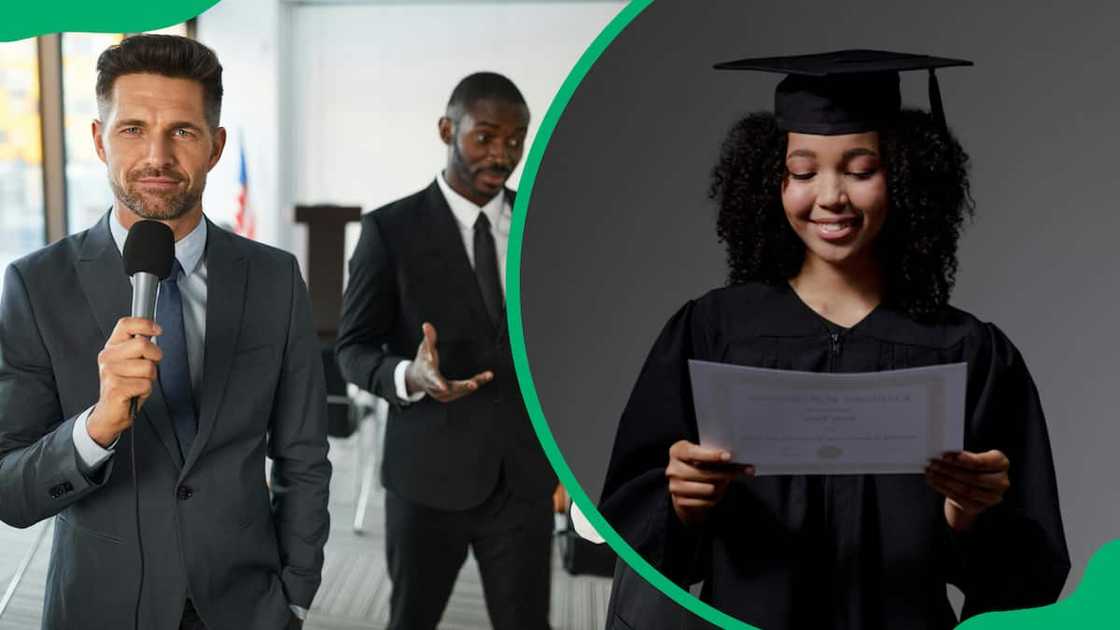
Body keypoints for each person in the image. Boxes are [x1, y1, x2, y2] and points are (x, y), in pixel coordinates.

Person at [599, 50, 1070, 630]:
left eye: (859, 169)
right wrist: (679, 504)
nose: (830, 196)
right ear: (770, 180)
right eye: (802, 172)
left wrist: (971, 515)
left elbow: (1028, 579)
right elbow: (629, 527)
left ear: (904, 175)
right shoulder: (714, 330)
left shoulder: (967, 350)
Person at [0, 35, 331, 630]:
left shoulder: (276, 277)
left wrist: (298, 592)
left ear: (215, 146)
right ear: (100, 141)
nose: (157, 155)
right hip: (99, 607)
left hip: (246, 604)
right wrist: (95, 427)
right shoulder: (34, 285)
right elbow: (9, 491)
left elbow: (303, 455)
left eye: (182, 131)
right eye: (131, 129)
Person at [336, 72, 557, 630]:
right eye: (484, 137)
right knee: (412, 620)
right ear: (446, 129)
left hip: (524, 480)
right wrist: (410, 374)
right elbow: (353, 349)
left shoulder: (543, 222)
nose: (502, 154)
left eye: (515, 140)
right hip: (428, 478)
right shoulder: (389, 230)